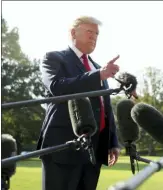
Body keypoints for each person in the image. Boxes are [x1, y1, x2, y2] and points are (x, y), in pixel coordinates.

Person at [36, 16, 121, 190]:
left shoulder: (97, 67)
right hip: (63, 148)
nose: (94, 37)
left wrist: (112, 141)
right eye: (89, 31)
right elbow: (56, 87)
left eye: (96, 33)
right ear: (73, 33)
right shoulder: (53, 58)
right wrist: (98, 75)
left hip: (94, 151)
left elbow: (105, 106)